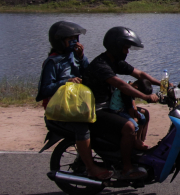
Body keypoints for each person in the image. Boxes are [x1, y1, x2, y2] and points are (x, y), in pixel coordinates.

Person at [37, 21, 113, 181]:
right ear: (59, 41)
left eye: (75, 38)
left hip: (77, 106)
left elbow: (88, 74)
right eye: (69, 39)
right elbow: (44, 90)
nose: (74, 42)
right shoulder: (53, 62)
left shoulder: (74, 57)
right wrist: (66, 82)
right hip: (60, 110)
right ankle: (91, 168)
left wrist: (82, 57)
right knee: (82, 128)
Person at [82, 27, 160, 181]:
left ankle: (136, 146)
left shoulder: (115, 62)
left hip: (109, 106)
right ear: (115, 46)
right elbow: (123, 86)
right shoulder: (101, 65)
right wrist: (145, 96)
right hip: (97, 109)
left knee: (144, 113)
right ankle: (127, 167)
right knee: (129, 126)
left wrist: (164, 85)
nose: (127, 52)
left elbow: (140, 74)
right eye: (125, 48)